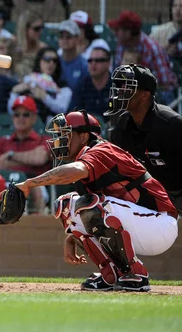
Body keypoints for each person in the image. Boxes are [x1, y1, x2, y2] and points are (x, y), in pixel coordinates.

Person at [13, 111, 178, 291]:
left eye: (65, 134)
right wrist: (74, 235)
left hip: (160, 223)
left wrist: (30, 183)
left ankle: (135, 274)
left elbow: (75, 171)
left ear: (84, 136)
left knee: (90, 204)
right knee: (66, 204)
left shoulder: (101, 150)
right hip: (139, 224)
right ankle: (111, 273)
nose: (59, 141)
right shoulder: (86, 155)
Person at [106, 64, 182, 215]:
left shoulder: (171, 124)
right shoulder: (120, 127)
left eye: (127, 86)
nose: (120, 91)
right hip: (147, 195)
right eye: (120, 86)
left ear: (145, 95)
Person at [0, 96, 50, 213]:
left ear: (34, 118)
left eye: (26, 115)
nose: (20, 118)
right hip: (6, 184)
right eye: (17, 114)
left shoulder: (43, 140)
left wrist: (10, 155)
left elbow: (39, 159)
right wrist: (27, 159)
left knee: (33, 187)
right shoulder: (3, 141)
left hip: (34, 185)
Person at [108, 10, 177, 101]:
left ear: (128, 32)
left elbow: (166, 83)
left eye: (118, 30)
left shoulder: (151, 48)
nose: (115, 33)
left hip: (159, 94)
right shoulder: (121, 45)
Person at [9, 47, 72, 122]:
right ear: (39, 61)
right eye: (47, 59)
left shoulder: (62, 87)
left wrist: (45, 97)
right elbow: (11, 110)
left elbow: (62, 108)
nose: (51, 63)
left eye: (54, 61)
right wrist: (14, 93)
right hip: (25, 122)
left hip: (49, 126)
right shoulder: (28, 80)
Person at [69, 44, 112, 116]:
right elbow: (73, 115)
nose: (93, 63)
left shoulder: (118, 87)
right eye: (90, 60)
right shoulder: (81, 86)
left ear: (108, 63)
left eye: (98, 60)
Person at [56, 20, 89, 90]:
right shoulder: (54, 62)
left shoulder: (84, 65)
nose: (64, 40)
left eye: (68, 37)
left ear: (77, 39)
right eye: (61, 36)